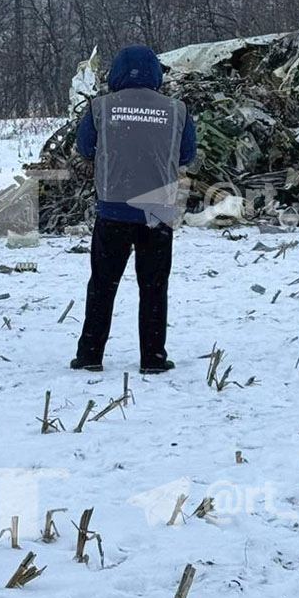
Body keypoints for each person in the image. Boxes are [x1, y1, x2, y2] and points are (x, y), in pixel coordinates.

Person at [69, 44, 196, 375]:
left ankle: (90, 354)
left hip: (113, 209)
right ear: (155, 73)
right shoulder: (177, 110)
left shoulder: (100, 107)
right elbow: (186, 156)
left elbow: (84, 148)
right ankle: (152, 357)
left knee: (102, 285)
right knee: (154, 287)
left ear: (117, 74)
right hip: (157, 210)